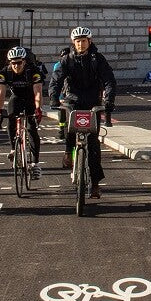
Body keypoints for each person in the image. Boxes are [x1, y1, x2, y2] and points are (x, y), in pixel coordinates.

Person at [49, 27, 115, 199]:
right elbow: (56, 80)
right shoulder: (67, 60)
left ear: (89, 42)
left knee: (93, 145)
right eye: (77, 41)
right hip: (73, 100)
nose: (80, 44)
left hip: (92, 103)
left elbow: (109, 80)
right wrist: (54, 98)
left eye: (84, 40)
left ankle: (95, 184)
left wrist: (109, 101)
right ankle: (68, 152)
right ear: (73, 42)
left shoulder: (98, 59)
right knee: (70, 130)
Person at [0, 47, 44, 179]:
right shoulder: (5, 73)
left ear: (24, 61)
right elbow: (1, 93)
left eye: (19, 62)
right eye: (13, 63)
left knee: (31, 129)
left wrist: (38, 109)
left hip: (30, 98)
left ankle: (35, 163)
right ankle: (13, 148)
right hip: (16, 97)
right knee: (10, 118)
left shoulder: (33, 71)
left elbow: (38, 91)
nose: (16, 65)